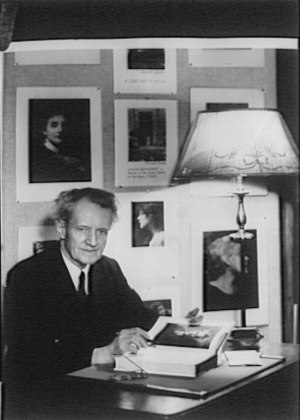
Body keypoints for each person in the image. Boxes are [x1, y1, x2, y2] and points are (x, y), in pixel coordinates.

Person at [3, 188, 158, 382]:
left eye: (101, 232)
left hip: (99, 386)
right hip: (44, 395)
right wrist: (105, 353)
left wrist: (185, 329)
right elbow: (31, 356)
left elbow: (140, 316)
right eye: (82, 229)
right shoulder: (28, 277)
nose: (93, 242)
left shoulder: (108, 268)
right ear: (61, 228)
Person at [30, 112, 89, 183]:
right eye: (54, 125)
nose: (60, 130)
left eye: (65, 125)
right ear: (44, 130)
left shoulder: (77, 153)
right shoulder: (37, 156)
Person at [204, 235, 247, 311]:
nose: (246, 258)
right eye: (239, 254)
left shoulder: (243, 291)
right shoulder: (209, 293)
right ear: (227, 260)